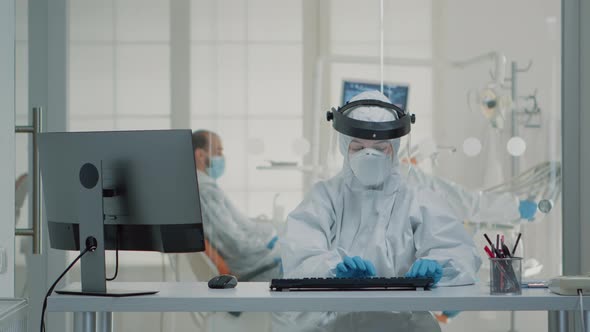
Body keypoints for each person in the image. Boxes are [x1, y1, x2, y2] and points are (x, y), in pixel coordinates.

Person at [274, 91, 482, 332]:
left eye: (380, 148)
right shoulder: (324, 197)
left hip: (406, 325)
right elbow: (299, 255)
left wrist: (438, 266)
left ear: (393, 148)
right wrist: (332, 270)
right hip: (335, 325)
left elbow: (458, 251)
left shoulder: (417, 197)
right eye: (359, 147)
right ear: (344, 146)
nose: (369, 155)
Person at [192, 130, 281, 281]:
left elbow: (228, 228)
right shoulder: (205, 191)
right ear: (200, 155)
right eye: (218, 152)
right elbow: (234, 242)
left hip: (259, 258)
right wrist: (269, 241)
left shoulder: (204, 188)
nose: (222, 158)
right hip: (258, 267)